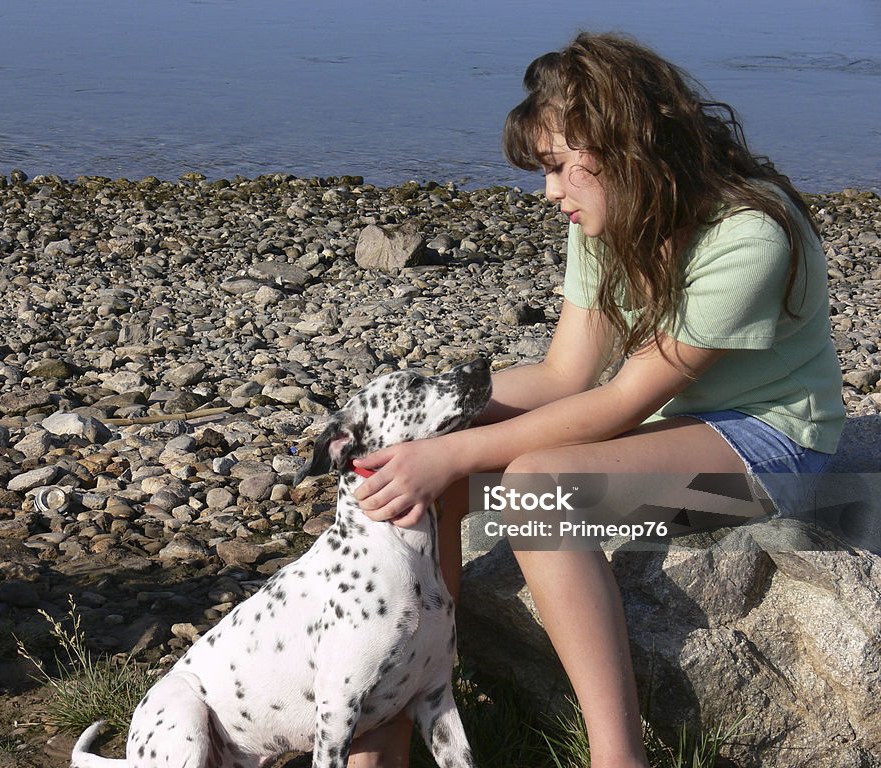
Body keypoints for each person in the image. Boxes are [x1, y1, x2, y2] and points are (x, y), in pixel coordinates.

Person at [344, 31, 846, 768]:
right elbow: (563, 378)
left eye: (557, 168)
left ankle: (618, 758)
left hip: (771, 444)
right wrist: (428, 427)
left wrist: (449, 450)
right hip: (669, 422)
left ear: (626, 148)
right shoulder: (612, 217)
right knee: (426, 459)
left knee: (534, 491)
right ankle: (405, 712)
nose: (549, 193)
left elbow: (623, 402)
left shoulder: (750, 234)